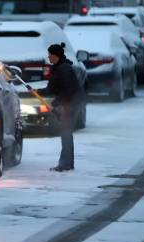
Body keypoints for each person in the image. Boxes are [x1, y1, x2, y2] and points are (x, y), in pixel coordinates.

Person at [31, 42, 85, 172]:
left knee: (66, 133)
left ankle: (65, 164)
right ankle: (68, 163)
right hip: (68, 103)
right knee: (66, 134)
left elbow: (68, 90)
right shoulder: (59, 68)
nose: (48, 57)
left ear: (56, 56)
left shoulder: (64, 69)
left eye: (50, 55)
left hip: (70, 104)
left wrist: (58, 104)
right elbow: (52, 88)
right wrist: (38, 91)